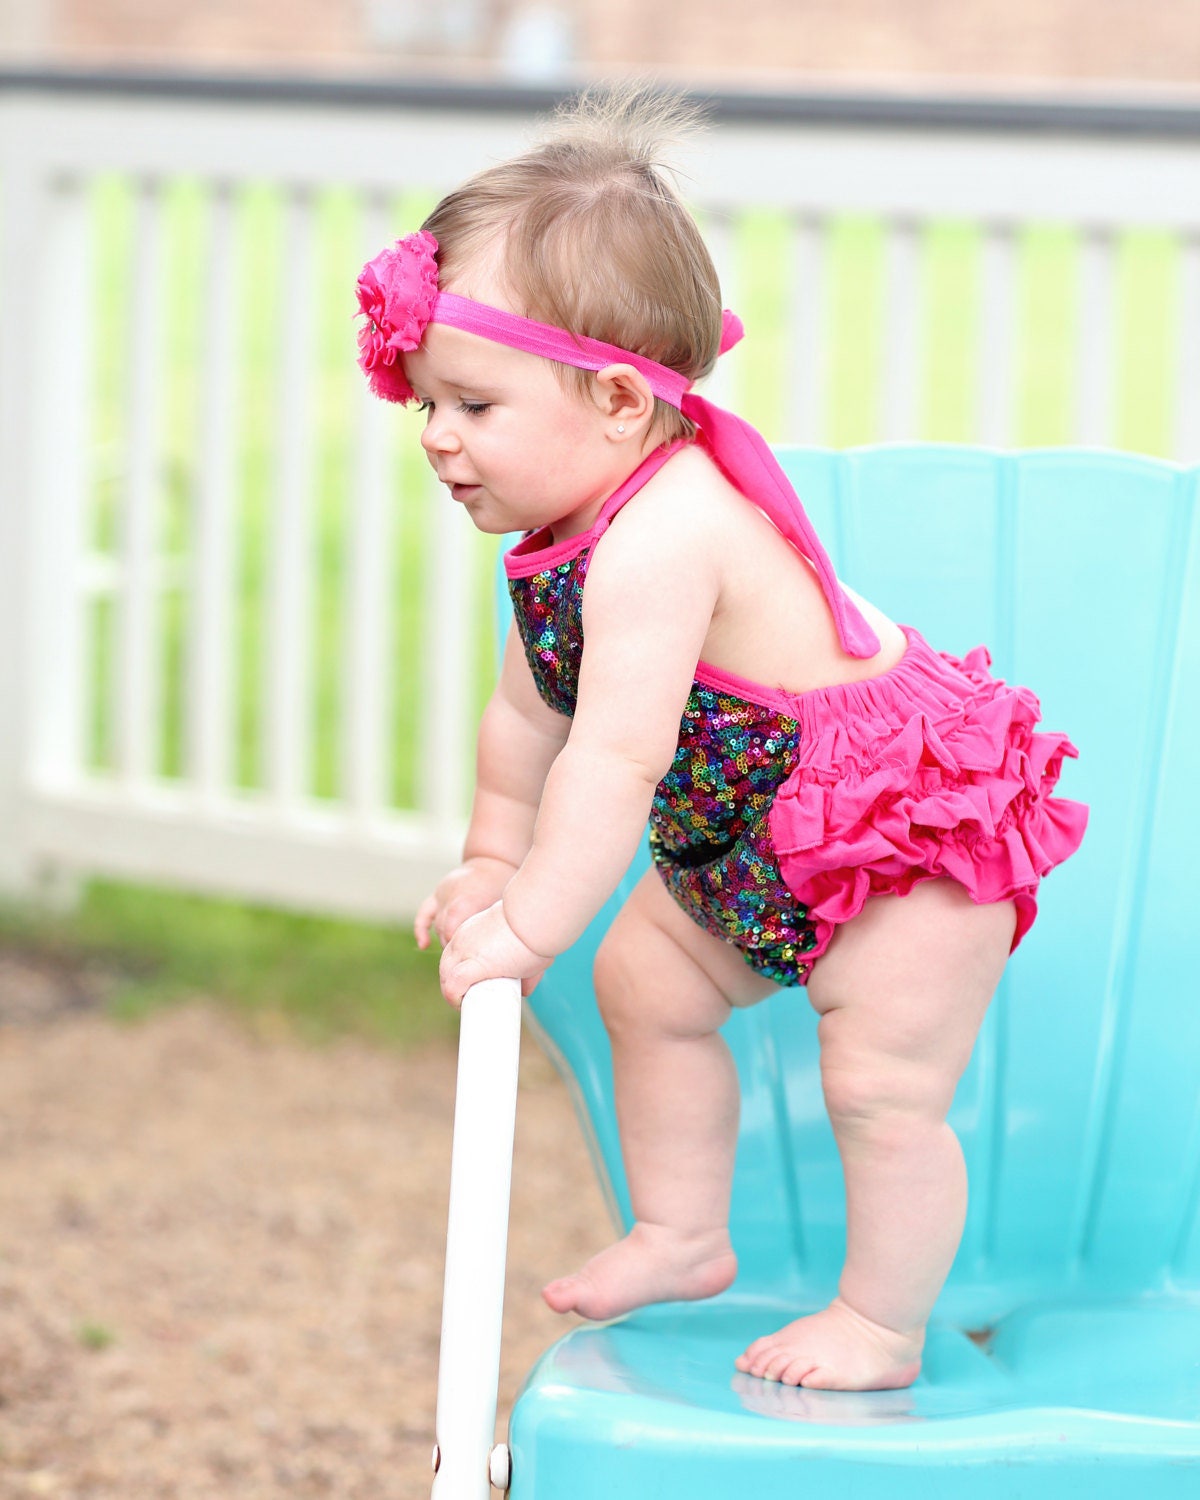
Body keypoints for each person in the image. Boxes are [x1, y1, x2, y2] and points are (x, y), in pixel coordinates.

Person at [354, 87, 1087, 1392]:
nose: (439, 439)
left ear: (622, 405)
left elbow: (614, 757)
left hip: (899, 829)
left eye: (471, 403)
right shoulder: (550, 545)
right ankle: (684, 1232)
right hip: (756, 830)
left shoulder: (663, 536)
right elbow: (529, 716)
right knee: (650, 989)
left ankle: (880, 1323)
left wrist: (529, 927)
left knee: (879, 1090)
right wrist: (489, 857)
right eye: (426, 407)